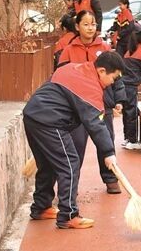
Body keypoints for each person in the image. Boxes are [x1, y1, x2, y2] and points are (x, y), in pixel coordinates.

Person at [23, 53, 125, 229]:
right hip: (50, 122)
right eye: (113, 78)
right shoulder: (89, 86)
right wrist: (108, 153)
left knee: (47, 165)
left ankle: (41, 207)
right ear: (101, 71)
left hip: (32, 116)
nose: (113, 83)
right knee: (69, 164)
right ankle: (68, 215)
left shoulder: (73, 68)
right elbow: (96, 124)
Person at [57, 10, 125, 194]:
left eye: (93, 24)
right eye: (85, 24)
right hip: (76, 108)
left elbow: (117, 76)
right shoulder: (69, 50)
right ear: (77, 26)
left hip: (102, 105)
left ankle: (111, 179)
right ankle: (72, 185)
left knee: (106, 141)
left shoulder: (104, 46)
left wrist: (119, 99)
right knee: (75, 146)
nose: (90, 28)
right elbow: (62, 77)